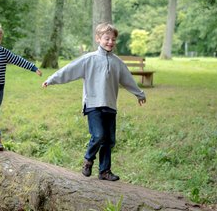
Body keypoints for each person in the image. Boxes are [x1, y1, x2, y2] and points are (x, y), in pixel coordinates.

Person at [42, 23, 146, 181]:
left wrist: (139, 94)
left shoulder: (118, 63)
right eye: (106, 38)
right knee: (98, 135)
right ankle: (88, 160)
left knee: (109, 140)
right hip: (93, 104)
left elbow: (128, 80)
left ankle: (104, 171)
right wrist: (51, 79)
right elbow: (69, 70)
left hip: (110, 105)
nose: (110, 42)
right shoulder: (88, 59)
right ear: (98, 39)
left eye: (113, 39)